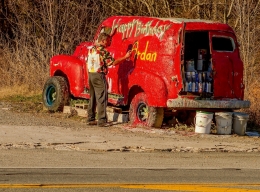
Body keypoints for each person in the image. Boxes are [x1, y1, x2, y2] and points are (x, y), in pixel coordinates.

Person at [87, 32, 131, 127]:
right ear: (103, 41)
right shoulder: (103, 51)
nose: (109, 42)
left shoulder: (92, 49)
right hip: (99, 75)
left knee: (93, 97)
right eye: (108, 40)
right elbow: (113, 63)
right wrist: (126, 57)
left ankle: (90, 118)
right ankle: (102, 120)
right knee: (102, 97)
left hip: (91, 74)